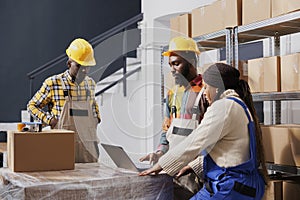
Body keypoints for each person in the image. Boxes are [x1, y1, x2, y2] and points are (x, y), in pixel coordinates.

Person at [140, 63, 268, 200]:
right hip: (233, 183)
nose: (204, 93)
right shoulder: (237, 104)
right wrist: (192, 165)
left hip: (232, 187)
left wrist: (160, 165)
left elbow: (195, 141)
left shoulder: (224, 107)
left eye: (206, 87)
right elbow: (229, 151)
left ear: (217, 88)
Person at [139, 36, 208, 199]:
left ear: (191, 61)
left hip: (196, 173)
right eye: (170, 64)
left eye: (176, 63)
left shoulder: (206, 92)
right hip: (173, 168)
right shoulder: (172, 94)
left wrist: (196, 166)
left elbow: (212, 137)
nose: (172, 69)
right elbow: (167, 131)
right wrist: (159, 153)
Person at [27, 38, 101, 163]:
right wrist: (49, 120)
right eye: (79, 66)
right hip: (60, 144)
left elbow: (93, 105)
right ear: (69, 64)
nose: (84, 70)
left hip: (87, 147)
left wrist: (96, 118)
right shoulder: (53, 83)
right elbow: (32, 106)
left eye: (87, 67)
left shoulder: (90, 84)